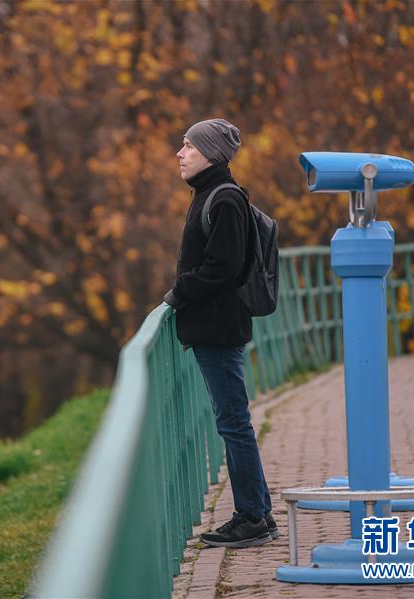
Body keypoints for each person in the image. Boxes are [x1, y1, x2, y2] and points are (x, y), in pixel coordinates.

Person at [163, 118, 277, 548]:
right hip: (213, 326)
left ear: (209, 153)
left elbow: (224, 266)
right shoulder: (210, 194)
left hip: (219, 327)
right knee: (233, 422)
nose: (180, 153)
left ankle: (251, 516)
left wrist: (178, 292)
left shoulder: (223, 198)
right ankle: (259, 513)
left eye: (188, 145)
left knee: (233, 423)